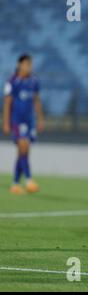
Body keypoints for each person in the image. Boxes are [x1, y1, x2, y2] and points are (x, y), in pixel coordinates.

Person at [2, 54, 44, 195]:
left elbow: (37, 101)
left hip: (29, 121)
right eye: (27, 65)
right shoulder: (12, 82)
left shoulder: (34, 81)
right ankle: (29, 180)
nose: (29, 68)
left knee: (23, 152)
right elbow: (7, 103)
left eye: (30, 65)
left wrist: (40, 118)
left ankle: (15, 183)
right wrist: (6, 122)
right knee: (23, 147)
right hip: (16, 120)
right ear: (20, 65)